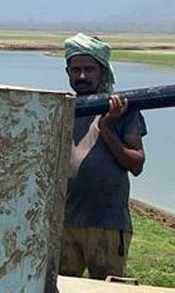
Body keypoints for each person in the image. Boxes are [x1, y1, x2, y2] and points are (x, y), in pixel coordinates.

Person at [61, 33, 147, 280]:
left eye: (89, 69)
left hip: (107, 223)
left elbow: (137, 164)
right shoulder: (63, 108)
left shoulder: (123, 111)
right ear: (67, 72)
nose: (82, 76)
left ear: (102, 71)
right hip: (64, 223)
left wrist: (107, 128)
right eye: (75, 69)